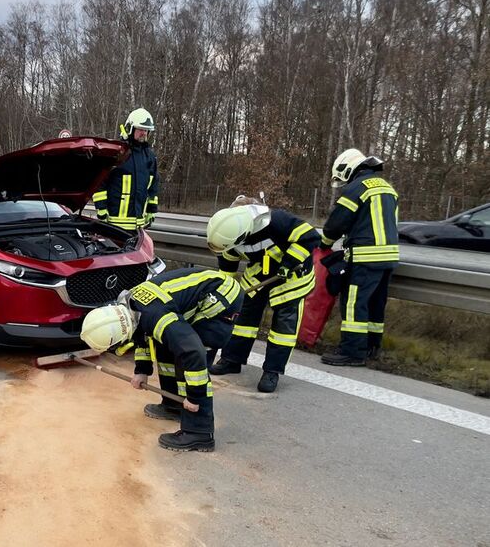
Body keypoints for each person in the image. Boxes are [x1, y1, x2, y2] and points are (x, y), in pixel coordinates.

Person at [80, 267, 243, 452]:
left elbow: (193, 353)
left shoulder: (155, 316)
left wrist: (194, 397)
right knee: (166, 347)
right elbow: (142, 334)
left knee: (189, 358)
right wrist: (142, 370)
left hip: (221, 297)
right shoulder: (128, 307)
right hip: (197, 293)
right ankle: (173, 404)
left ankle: (199, 432)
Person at [205, 197, 321, 392]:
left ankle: (272, 371)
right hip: (259, 273)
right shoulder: (230, 233)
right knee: (241, 318)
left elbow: (310, 237)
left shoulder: (277, 221)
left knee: (283, 329)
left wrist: (288, 264)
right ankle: (232, 360)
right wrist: (226, 293)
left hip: (292, 275)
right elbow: (228, 264)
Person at [319, 149, 399, 366]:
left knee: (354, 304)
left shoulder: (356, 188)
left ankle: (352, 352)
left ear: (348, 169)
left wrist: (324, 243)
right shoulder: (387, 187)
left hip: (365, 257)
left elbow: (337, 222)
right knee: (375, 303)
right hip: (388, 257)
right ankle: (372, 347)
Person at [92, 107, 160, 231]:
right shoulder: (117, 153)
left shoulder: (150, 157)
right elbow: (100, 183)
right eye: (140, 129)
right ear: (130, 129)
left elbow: (153, 187)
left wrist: (152, 210)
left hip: (139, 226)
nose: (144, 133)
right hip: (114, 224)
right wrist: (101, 209)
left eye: (146, 130)